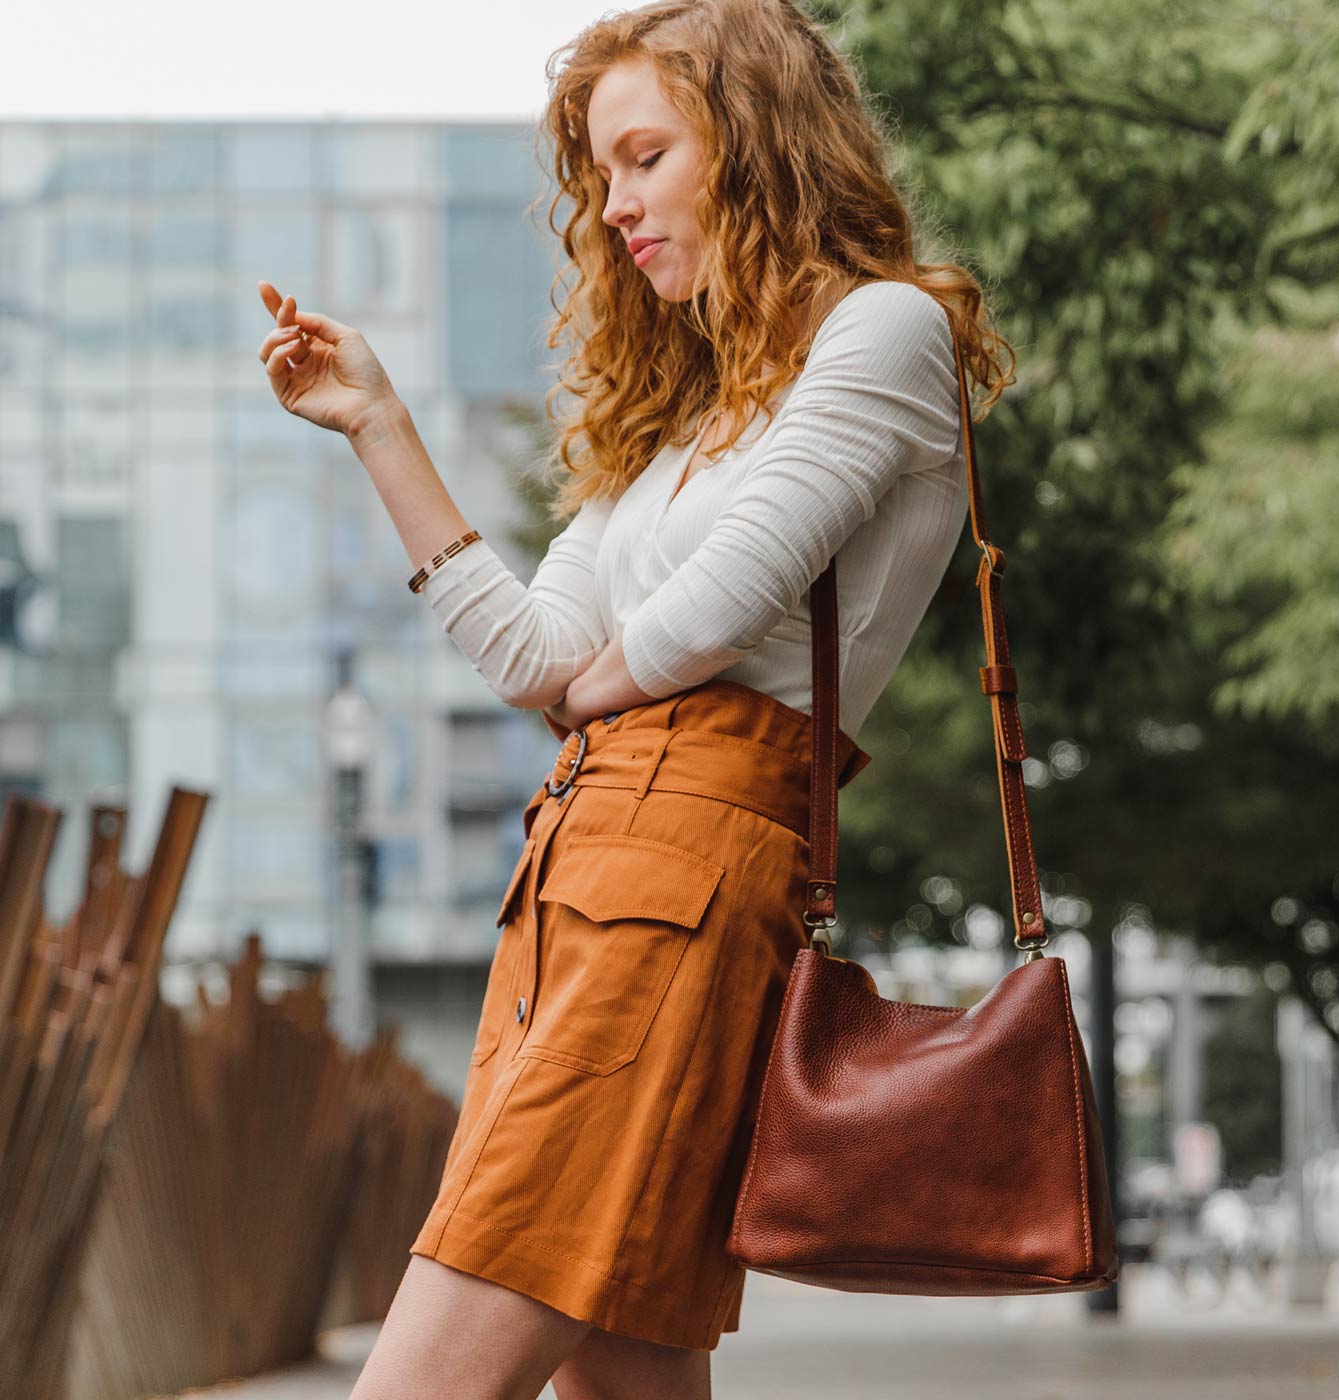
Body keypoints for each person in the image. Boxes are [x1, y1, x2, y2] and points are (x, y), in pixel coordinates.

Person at [256, 2, 1014, 1395]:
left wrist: (597, 687)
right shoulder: (686, 421)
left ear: (758, 147)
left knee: (428, 1375)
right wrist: (380, 425)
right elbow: (533, 657)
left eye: (646, 157)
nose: (613, 207)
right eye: (601, 173)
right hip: (575, 875)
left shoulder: (886, 331)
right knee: (621, 1374)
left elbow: (717, 611)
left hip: (685, 872)